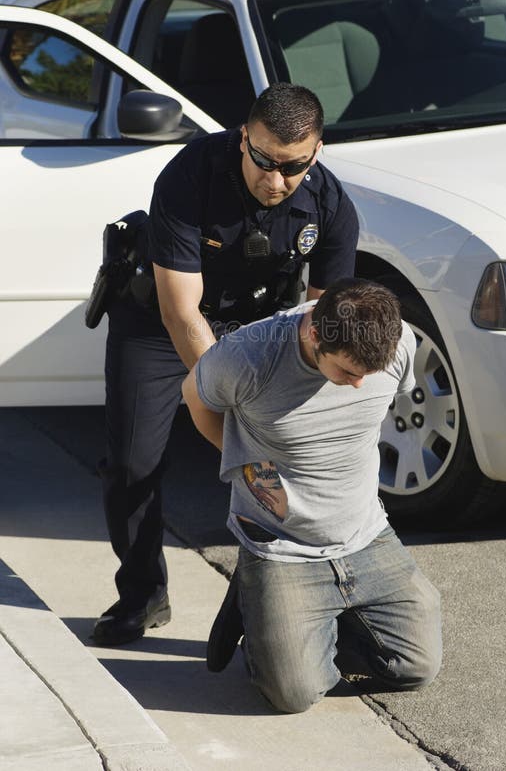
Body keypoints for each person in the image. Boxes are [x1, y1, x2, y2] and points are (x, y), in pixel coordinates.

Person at [93, 83, 359, 646]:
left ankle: (260, 596)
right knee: (132, 464)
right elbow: (179, 309)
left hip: (261, 327)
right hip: (162, 326)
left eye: (294, 166)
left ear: (317, 151)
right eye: (263, 159)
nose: (276, 179)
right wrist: (232, 409)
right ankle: (141, 595)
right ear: (244, 138)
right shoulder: (190, 177)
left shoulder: (330, 204)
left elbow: (324, 321)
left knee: (284, 465)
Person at [182, 278, 442, 713]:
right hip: (281, 541)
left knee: (416, 667)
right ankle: (264, 612)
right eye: (346, 372)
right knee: (294, 694)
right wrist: (246, 463)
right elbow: (193, 394)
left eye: (367, 375)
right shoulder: (248, 357)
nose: (359, 385)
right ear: (314, 333)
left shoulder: (397, 345)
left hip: (364, 532)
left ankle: (291, 623)